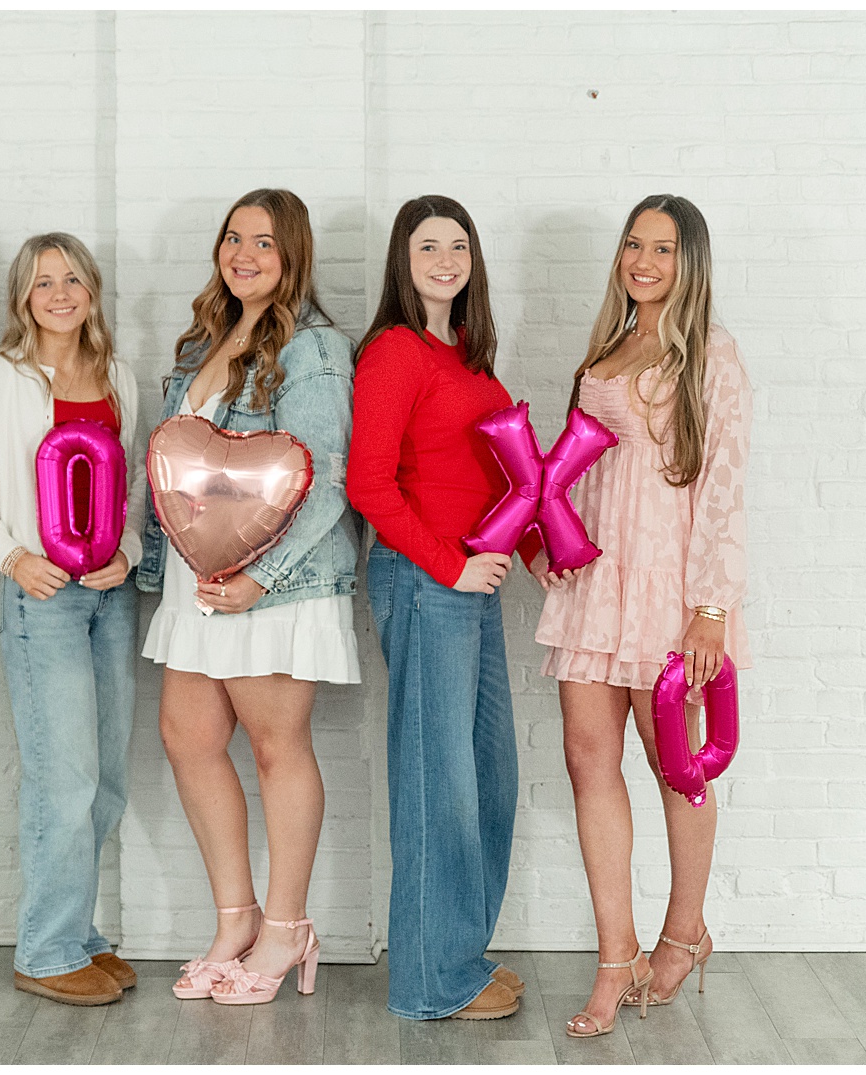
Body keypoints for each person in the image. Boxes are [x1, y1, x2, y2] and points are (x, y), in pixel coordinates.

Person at [527, 194, 752, 1037]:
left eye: (662, 248)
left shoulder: (713, 357)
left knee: (678, 769)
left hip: (670, 589)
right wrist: (549, 535)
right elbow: (575, 466)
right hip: (593, 583)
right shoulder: (609, 344)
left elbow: (723, 489)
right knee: (589, 757)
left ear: (689, 260)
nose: (643, 261)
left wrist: (710, 610)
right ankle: (612, 957)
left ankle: (684, 931)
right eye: (632, 244)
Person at [136, 188, 359, 1006]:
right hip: (198, 579)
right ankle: (235, 918)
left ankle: (289, 927)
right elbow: (168, 471)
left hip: (279, 585)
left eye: (264, 242)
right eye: (234, 238)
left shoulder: (317, 348)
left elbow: (326, 475)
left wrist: (260, 577)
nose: (245, 254)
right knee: (187, 735)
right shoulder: (201, 344)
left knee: (275, 747)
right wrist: (157, 569)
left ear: (292, 255)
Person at [0, 233, 144, 1007]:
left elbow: (131, 491)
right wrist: (12, 558)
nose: (59, 294)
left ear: (91, 289)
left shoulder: (119, 375)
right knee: (62, 777)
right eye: (42, 283)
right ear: (22, 297)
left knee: (106, 778)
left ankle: (79, 932)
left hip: (111, 593)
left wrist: (127, 552)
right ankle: (46, 946)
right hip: (42, 597)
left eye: (71, 279)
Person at [346, 195, 525, 1021]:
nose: (446, 259)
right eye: (428, 246)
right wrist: (453, 567)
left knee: (488, 775)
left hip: (468, 587)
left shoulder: (469, 359)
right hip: (427, 584)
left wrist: (533, 554)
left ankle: (461, 954)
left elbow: (497, 478)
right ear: (402, 258)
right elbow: (369, 485)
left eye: (459, 245)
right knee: (438, 781)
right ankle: (429, 979)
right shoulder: (394, 352)